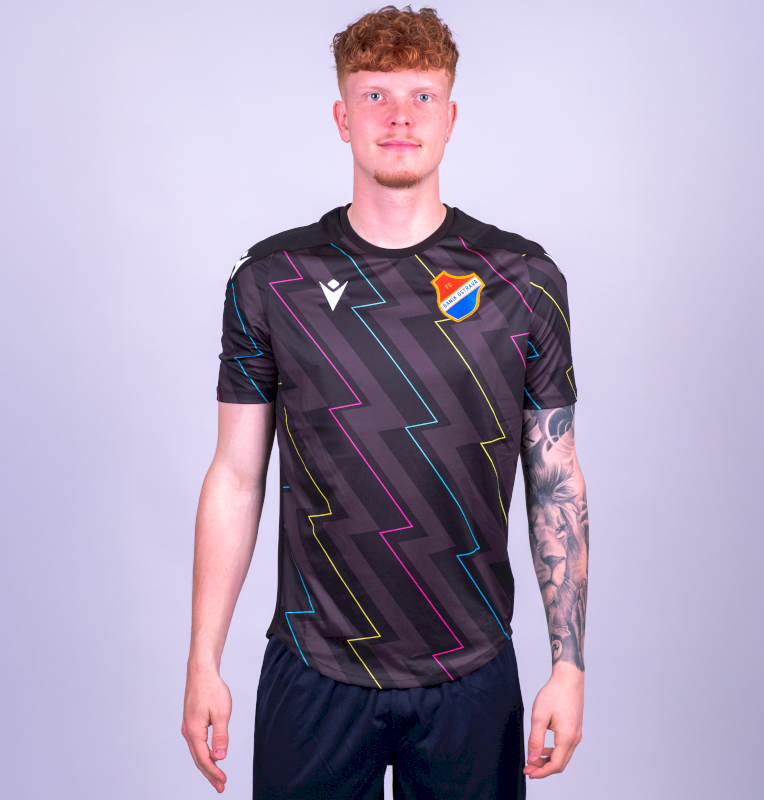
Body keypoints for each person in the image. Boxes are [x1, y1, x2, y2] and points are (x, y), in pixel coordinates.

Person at [181, 6, 589, 799]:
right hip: (313, 668)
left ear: (450, 118)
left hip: (472, 673)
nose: (399, 117)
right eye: (375, 96)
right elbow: (235, 475)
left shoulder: (523, 281)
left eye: (421, 96)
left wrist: (568, 665)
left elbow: (557, 480)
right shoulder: (273, 281)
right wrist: (203, 657)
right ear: (343, 117)